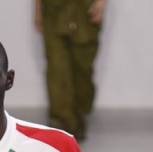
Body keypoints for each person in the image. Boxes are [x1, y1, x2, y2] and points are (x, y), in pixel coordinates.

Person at [35, 0, 106, 140]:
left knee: (83, 71)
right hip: (54, 9)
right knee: (56, 68)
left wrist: (102, 2)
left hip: (85, 10)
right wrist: (37, 9)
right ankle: (61, 121)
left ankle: (78, 115)